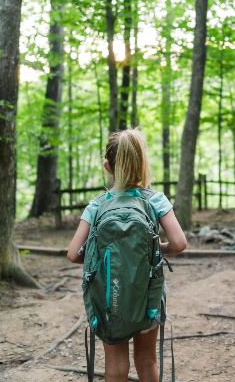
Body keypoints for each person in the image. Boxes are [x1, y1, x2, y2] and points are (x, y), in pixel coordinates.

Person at [67, 128, 187, 382]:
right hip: (147, 296)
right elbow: (179, 244)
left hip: (110, 296)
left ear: (107, 166)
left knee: (115, 362)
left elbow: (72, 254)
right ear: (143, 164)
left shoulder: (98, 205)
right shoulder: (156, 200)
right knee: (146, 359)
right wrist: (157, 249)